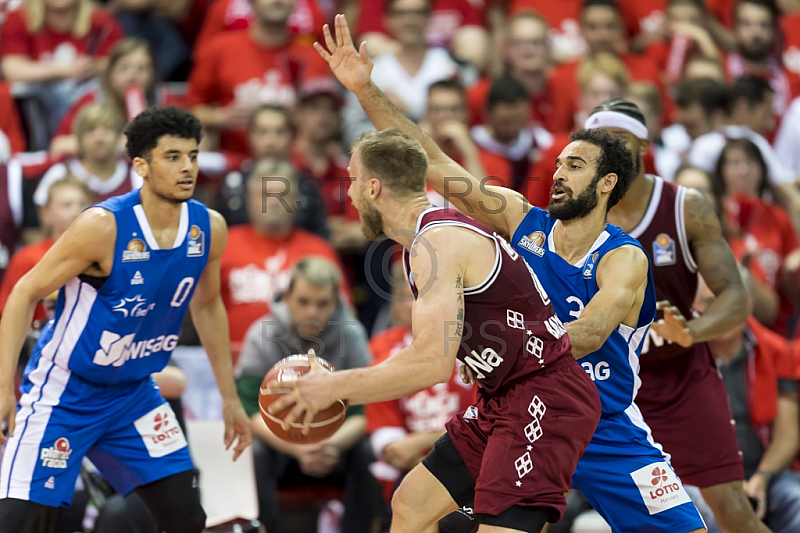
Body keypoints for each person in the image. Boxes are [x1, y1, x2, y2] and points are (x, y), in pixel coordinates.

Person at [327, 13, 705, 530]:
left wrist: (509, 346)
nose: (558, 172)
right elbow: (431, 161)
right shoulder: (517, 217)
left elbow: (591, 333)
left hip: (603, 421)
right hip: (517, 401)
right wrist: (365, 88)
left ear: (605, 184)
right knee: (412, 505)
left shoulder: (624, 257)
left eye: (575, 167)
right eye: (559, 162)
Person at [272, 17, 604, 533]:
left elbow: (428, 363)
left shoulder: (436, 242)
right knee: (410, 506)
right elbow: (422, 153)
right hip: (502, 392)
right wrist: (363, 87)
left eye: (355, 181)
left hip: (544, 395)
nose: (351, 192)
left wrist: (332, 387)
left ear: (377, 189)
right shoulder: (422, 239)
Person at [0, 106, 252, 533]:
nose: (187, 167)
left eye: (192, 155)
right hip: (65, 393)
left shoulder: (209, 228)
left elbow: (207, 306)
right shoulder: (103, 226)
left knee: (188, 518)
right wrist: (5, 387)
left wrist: (230, 398)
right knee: (22, 522)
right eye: (172, 157)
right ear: (141, 166)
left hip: (134, 395)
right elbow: (25, 292)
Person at [583, 101, 771, 533]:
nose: (608, 153)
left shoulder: (686, 206)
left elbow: (735, 297)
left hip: (682, 378)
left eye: (619, 142)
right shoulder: (574, 213)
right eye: (598, 145)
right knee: (542, 501)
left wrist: (692, 331)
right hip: (609, 387)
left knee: (732, 510)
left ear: (645, 146)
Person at [236, 256, 380, 533]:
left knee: (368, 451)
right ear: (287, 298)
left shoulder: (351, 334)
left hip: (334, 446)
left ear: (336, 302)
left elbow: (366, 412)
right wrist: (298, 448)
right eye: (303, 302)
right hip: (281, 448)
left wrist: (330, 446)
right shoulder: (262, 334)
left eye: (322, 303)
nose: (312, 311)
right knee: (253, 451)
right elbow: (248, 410)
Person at [689, 274, 800, 533]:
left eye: (730, 300)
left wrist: (763, 476)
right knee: (704, 517)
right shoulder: (680, 356)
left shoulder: (777, 350)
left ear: (748, 303)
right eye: (708, 302)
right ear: (696, 311)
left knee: (796, 504)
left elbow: (787, 433)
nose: (721, 310)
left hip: (767, 473)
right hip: (700, 475)